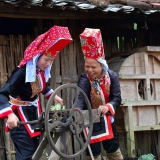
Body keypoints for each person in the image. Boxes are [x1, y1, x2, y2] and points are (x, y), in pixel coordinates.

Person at [0, 25, 72, 160]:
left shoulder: (40, 73)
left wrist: (52, 95)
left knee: (34, 153)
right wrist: (9, 114)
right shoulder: (21, 72)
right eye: (46, 59)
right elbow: (2, 94)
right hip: (18, 117)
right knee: (26, 155)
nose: (48, 63)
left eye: (51, 61)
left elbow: (42, 86)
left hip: (34, 115)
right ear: (37, 57)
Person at [77, 28, 123, 160]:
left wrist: (108, 106)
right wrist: (78, 110)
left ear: (102, 66)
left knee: (113, 150)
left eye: (93, 67)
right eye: (87, 66)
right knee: (93, 153)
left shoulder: (112, 77)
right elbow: (81, 96)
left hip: (107, 118)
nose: (89, 70)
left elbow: (117, 98)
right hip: (89, 121)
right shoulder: (85, 78)